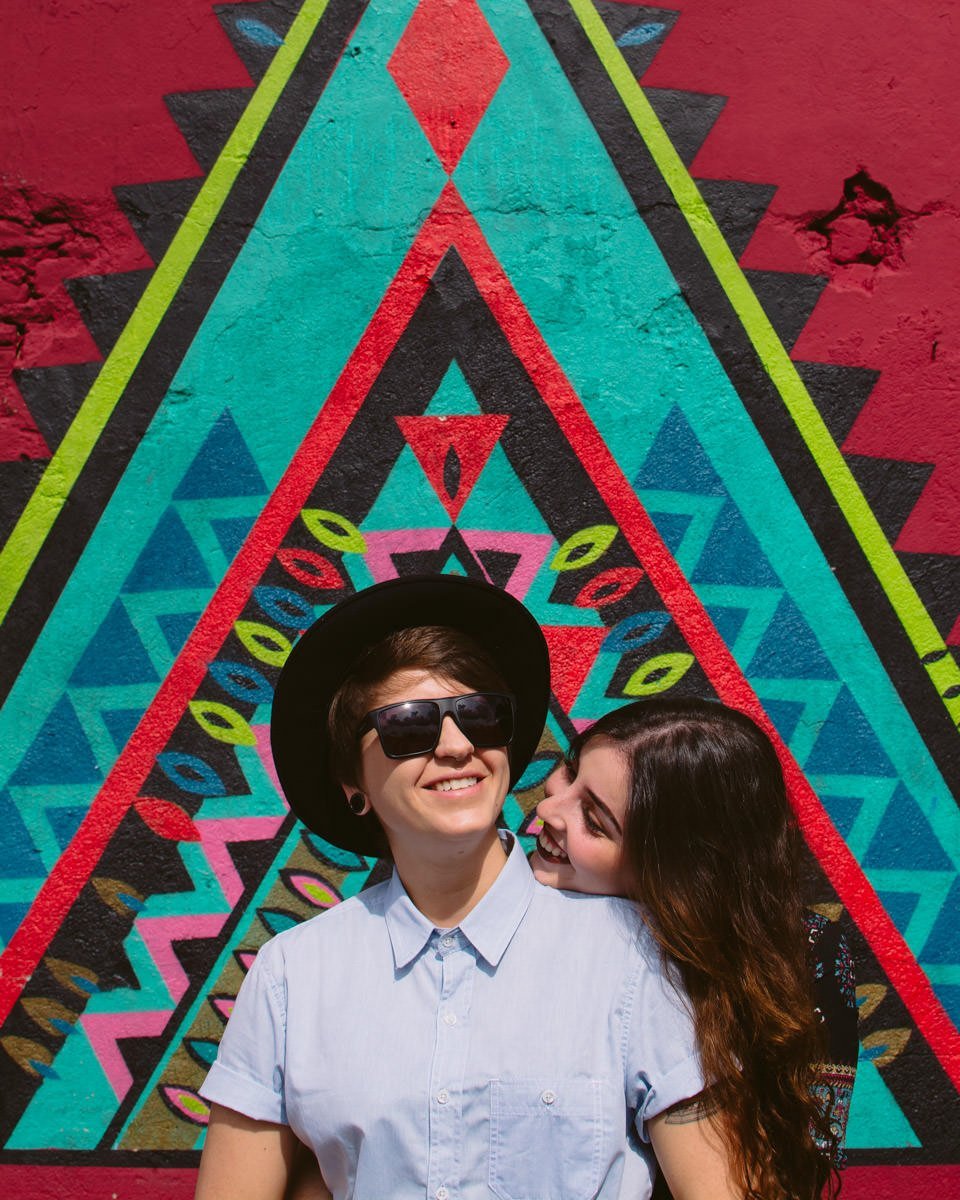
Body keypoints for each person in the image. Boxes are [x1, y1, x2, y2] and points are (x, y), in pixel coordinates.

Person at [195, 575, 737, 1200]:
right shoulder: (290, 976)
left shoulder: (632, 951)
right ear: (354, 785)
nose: (455, 746)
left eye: (479, 717)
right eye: (407, 727)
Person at [530, 697, 858, 1200]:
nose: (549, 808)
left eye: (595, 821)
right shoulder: (510, 917)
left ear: (676, 875)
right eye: (568, 772)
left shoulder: (808, 957)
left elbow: (800, 1170)